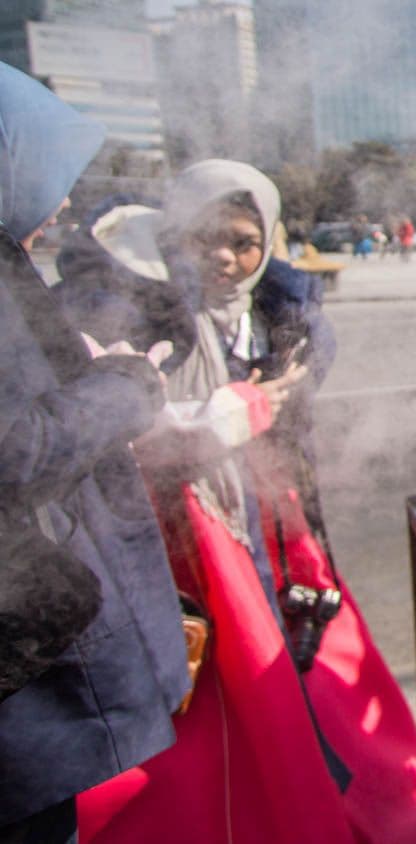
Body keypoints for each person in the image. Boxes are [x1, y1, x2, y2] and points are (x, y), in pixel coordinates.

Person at [61, 161, 416, 843]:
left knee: (321, 682)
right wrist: (241, 409)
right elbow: (127, 435)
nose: (227, 260)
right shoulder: (139, 312)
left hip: (275, 527)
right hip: (187, 548)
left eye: (245, 241)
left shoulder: (274, 317)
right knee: (220, 726)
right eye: (208, 238)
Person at [0, 61, 189, 844]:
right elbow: (17, 450)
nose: (64, 200)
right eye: (48, 169)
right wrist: (126, 386)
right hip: (24, 672)